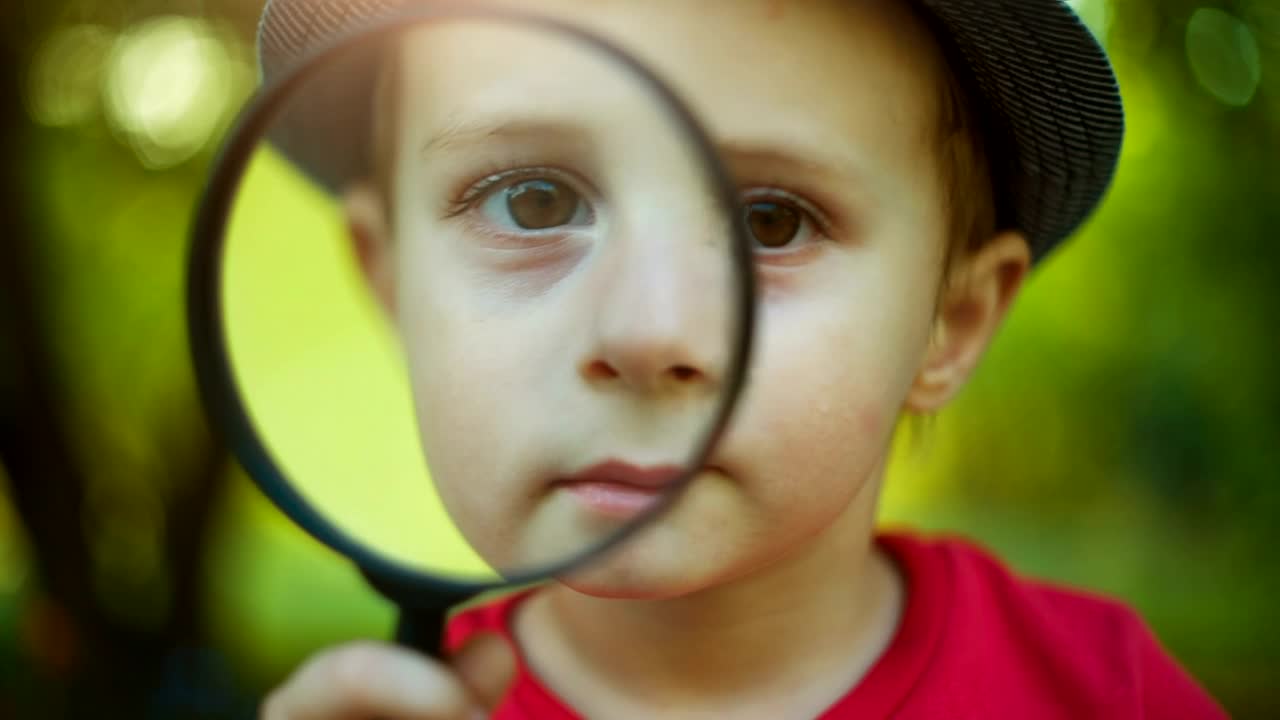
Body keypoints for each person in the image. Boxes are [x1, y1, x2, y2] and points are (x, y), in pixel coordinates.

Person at [257, 0, 1228, 717]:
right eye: (534, 202)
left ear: (952, 320)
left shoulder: (1106, 695)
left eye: (771, 220)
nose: (647, 332)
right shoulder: (385, 711)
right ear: (391, 285)